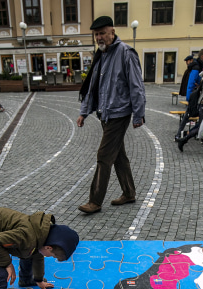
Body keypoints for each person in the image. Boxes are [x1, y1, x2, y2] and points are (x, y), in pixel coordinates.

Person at [76, 15, 146, 215]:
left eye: (103, 33)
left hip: (118, 113)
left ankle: (95, 201)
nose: (99, 37)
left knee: (104, 155)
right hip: (105, 114)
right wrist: (84, 112)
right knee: (118, 156)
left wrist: (138, 115)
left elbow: (136, 86)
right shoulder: (102, 55)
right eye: (96, 34)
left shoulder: (126, 53)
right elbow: (93, 88)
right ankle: (129, 192)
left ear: (112, 32)